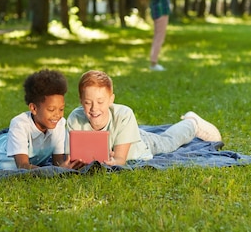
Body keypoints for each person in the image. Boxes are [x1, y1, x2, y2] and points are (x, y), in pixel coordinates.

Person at [66, 70, 223, 166]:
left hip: (141, 144)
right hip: (124, 134)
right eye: (88, 103)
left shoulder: (124, 114)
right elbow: (67, 157)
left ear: (111, 100)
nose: (94, 108)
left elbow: (120, 159)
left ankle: (191, 123)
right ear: (81, 101)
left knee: (169, 143)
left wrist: (114, 161)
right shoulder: (75, 118)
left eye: (100, 102)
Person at [138, 0, 180, 71]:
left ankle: (154, 62)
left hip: (159, 13)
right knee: (159, 38)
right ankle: (153, 63)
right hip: (161, 13)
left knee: (158, 37)